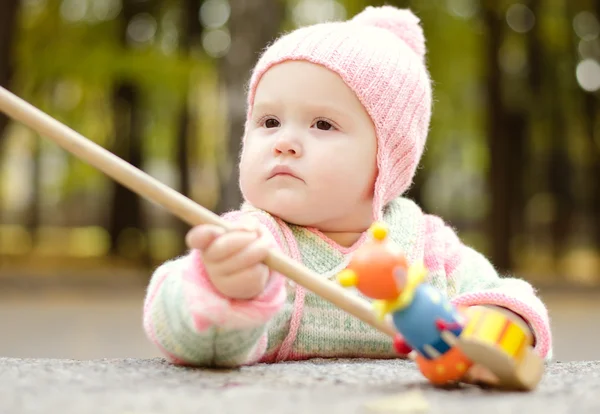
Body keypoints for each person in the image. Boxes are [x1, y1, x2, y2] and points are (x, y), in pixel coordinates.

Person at [142, 5, 552, 372]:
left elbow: (510, 300)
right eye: (268, 122)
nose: (283, 142)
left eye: (323, 124)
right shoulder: (254, 243)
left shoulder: (429, 250)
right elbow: (180, 329)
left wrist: (497, 322)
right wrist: (223, 291)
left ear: (388, 159)